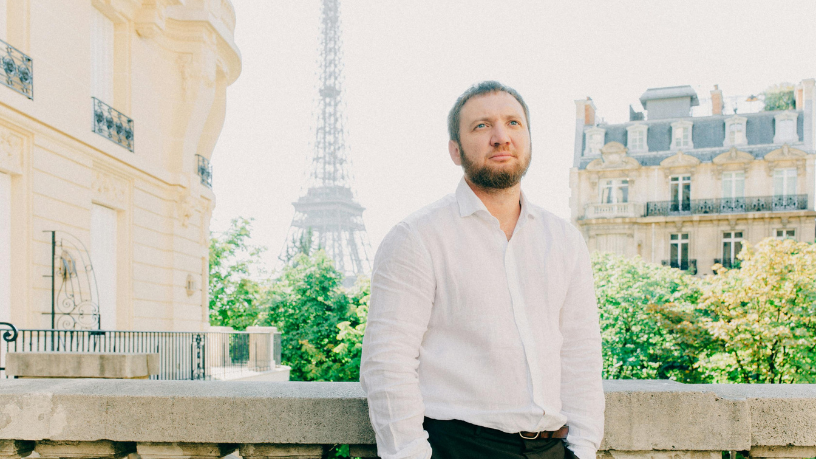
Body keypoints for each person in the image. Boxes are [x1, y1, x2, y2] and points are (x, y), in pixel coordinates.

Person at [360, 81, 604, 459]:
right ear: (455, 151)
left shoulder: (564, 240)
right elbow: (386, 361)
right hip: (457, 448)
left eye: (513, 123)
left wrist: (582, 450)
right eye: (481, 126)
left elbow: (581, 354)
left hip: (553, 449)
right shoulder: (416, 238)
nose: (501, 137)